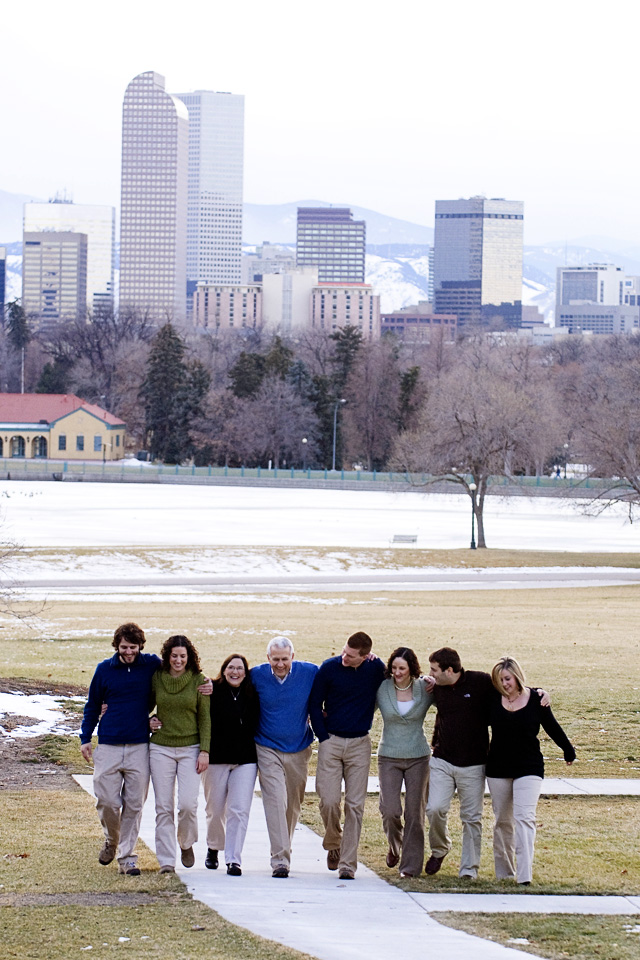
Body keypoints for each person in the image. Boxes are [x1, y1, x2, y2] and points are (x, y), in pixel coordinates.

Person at [425, 646, 550, 880]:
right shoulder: (434, 686)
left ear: (449, 670)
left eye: (433, 670)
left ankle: (468, 871)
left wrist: (538, 692)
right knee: (434, 809)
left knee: (471, 819)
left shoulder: (480, 682)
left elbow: (511, 688)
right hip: (442, 759)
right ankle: (440, 848)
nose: (430, 673)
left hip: (474, 763)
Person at [486, 656, 576, 885]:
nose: (504, 684)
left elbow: (552, 726)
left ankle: (524, 876)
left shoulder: (536, 699)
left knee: (525, 818)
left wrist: (568, 749)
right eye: (500, 680)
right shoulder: (492, 698)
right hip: (498, 767)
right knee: (503, 821)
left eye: (507, 678)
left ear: (516, 676)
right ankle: (505, 873)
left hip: (529, 766)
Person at [79, 622, 159, 876]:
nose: (129, 652)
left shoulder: (151, 665)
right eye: (124, 647)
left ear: (140, 646)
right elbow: (92, 705)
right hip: (109, 744)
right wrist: (85, 738)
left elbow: (175, 680)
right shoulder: (105, 669)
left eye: (133, 647)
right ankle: (112, 841)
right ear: (117, 646)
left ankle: (127, 858)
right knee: (107, 802)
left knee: (134, 804)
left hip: (139, 745)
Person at [309, 631, 385, 880]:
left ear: (364, 656)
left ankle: (347, 864)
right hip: (331, 742)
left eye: (351, 656)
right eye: (344, 651)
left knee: (355, 806)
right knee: (329, 801)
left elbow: (397, 679)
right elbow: (314, 703)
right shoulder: (329, 668)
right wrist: (323, 736)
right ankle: (334, 843)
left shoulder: (375, 669)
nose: (344, 657)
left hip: (360, 744)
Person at [250, 637, 317, 878]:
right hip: (267, 746)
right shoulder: (256, 675)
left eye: (285, 659)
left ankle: (283, 848)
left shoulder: (309, 672)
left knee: (292, 804)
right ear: (268, 658)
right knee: (275, 801)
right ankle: (280, 860)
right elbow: (231, 686)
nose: (280, 664)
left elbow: (334, 679)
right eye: (275, 659)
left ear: (292, 657)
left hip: (299, 748)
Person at [149, 635, 211, 874]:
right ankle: (166, 860)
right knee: (163, 806)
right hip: (161, 748)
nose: (178, 660)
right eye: (174, 655)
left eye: (182, 656)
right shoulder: (158, 678)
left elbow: (205, 719)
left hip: (191, 749)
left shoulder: (199, 681)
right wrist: (148, 722)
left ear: (189, 657)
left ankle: (186, 843)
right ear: (168, 656)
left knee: (187, 804)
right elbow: (145, 705)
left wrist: (204, 750)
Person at [376, 647, 434, 878]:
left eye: (402, 668)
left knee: (414, 813)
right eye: (394, 668)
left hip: (418, 757)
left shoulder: (425, 688)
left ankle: (410, 867)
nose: (397, 672)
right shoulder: (382, 688)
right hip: (388, 756)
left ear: (412, 668)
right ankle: (394, 845)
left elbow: (452, 703)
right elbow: (359, 707)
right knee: (390, 810)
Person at [202, 653, 259, 876]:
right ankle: (214, 846)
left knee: (239, 810)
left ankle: (233, 859)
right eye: (231, 668)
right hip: (216, 759)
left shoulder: (253, 693)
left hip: (245, 760)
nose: (235, 672)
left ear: (246, 673)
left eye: (240, 669)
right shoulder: (212, 690)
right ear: (224, 670)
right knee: (215, 810)